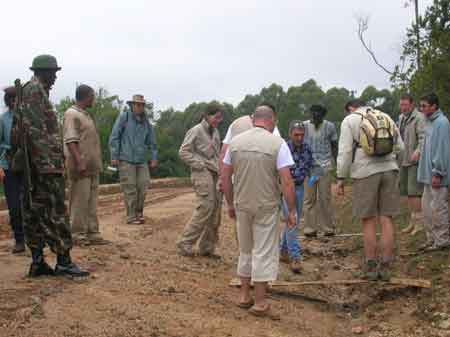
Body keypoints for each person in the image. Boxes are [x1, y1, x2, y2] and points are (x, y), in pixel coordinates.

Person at [9, 54, 88, 277]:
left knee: (33, 210)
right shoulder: (34, 91)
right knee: (54, 211)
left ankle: (37, 262)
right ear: (43, 72)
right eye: (53, 73)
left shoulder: (31, 90)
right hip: (42, 166)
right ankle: (63, 261)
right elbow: (34, 131)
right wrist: (50, 165)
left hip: (33, 165)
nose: (55, 78)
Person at [222, 104, 296, 318]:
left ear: (254, 119)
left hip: (242, 204)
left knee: (245, 250)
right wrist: (290, 211)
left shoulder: (235, 143)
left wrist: (229, 203)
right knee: (263, 251)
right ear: (271, 121)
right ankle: (261, 302)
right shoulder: (278, 143)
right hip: (266, 206)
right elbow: (287, 181)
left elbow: (225, 177)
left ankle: (245, 296)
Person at [336, 100, 404, 280]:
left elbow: (344, 153)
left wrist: (341, 177)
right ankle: (387, 264)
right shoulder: (385, 116)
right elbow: (400, 147)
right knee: (386, 218)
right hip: (389, 169)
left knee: (368, 220)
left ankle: (371, 266)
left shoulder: (349, 121)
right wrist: (393, 161)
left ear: (351, 108)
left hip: (365, 172)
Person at [176, 103, 223, 258]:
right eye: (216, 117)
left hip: (215, 171)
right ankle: (185, 243)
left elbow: (217, 153)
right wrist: (198, 164)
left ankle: (207, 247)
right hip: (201, 172)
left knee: (216, 208)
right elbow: (183, 151)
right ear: (208, 116)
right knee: (206, 206)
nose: (218, 120)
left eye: (219, 117)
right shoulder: (196, 130)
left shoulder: (215, 132)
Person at [64, 85, 105, 245]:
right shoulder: (71, 114)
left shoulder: (85, 115)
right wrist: (79, 161)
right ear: (86, 96)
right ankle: (77, 234)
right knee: (79, 201)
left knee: (92, 201)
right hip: (80, 167)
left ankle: (92, 232)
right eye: (92, 96)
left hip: (92, 167)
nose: (94, 99)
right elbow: (71, 140)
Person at [109, 94, 158, 224]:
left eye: (141, 105)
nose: (139, 107)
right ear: (131, 105)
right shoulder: (124, 117)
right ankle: (131, 216)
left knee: (143, 185)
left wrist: (153, 157)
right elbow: (114, 137)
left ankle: (139, 213)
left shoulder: (146, 122)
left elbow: (152, 142)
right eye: (137, 104)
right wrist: (114, 156)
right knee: (130, 188)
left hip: (142, 160)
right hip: (126, 158)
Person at [417, 93, 450, 252]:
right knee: (427, 208)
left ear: (434, 106)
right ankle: (431, 239)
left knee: (438, 208)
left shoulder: (442, 123)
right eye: (420, 106)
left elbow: (442, 150)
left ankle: (442, 240)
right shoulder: (428, 122)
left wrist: (438, 173)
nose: (421, 109)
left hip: (437, 176)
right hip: (427, 175)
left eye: (424, 106)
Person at [280, 120, 313, 273]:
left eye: (302, 134)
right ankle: (295, 256)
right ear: (290, 134)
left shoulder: (306, 148)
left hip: (299, 188)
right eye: (296, 135)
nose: (299, 137)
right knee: (293, 221)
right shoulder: (283, 148)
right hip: (286, 188)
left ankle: (283, 250)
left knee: (292, 220)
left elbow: (308, 168)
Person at [303, 104, 338, 237]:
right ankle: (309, 228)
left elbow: (334, 146)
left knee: (325, 198)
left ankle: (327, 228)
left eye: (317, 115)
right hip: (310, 169)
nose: (314, 117)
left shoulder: (330, 127)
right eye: (312, 115)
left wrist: (338, 165)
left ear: (322, 116)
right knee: (309, 199)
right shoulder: (304, 126)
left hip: (325, 168)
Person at [0, 86, 25, 254]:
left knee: (30, 204)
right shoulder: (3, 120)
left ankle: (34, 239)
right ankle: (19, 239)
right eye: (11, 99)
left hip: (28, 166)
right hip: (9, 166)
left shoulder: (27, 117)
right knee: (14, 205)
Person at [398, 94, 425, 236]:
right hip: (403, 160)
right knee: (407, 192)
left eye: (405, 105)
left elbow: (423, 138)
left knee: (415, 192)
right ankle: (412, 221)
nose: (403, 108)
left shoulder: (419, 118)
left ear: (412, 105)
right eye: (401, 105)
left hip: (414, 160)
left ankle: (419, 223)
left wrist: (418, 152)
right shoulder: (401, 118)